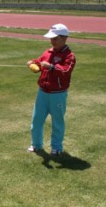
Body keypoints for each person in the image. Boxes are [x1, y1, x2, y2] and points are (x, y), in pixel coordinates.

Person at [26, 23, 76, 156]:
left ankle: (57, 147)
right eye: (51, 38)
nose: (52, 41)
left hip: (58, 95)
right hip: (42, 92)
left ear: (64, 38)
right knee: (36, 120)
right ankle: (36, 145)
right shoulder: (48, 52)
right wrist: (32, 63)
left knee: (57, 122)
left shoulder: (70, 56)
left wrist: (52, 67)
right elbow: (39, 61)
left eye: (55, 39)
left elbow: (66, 71)